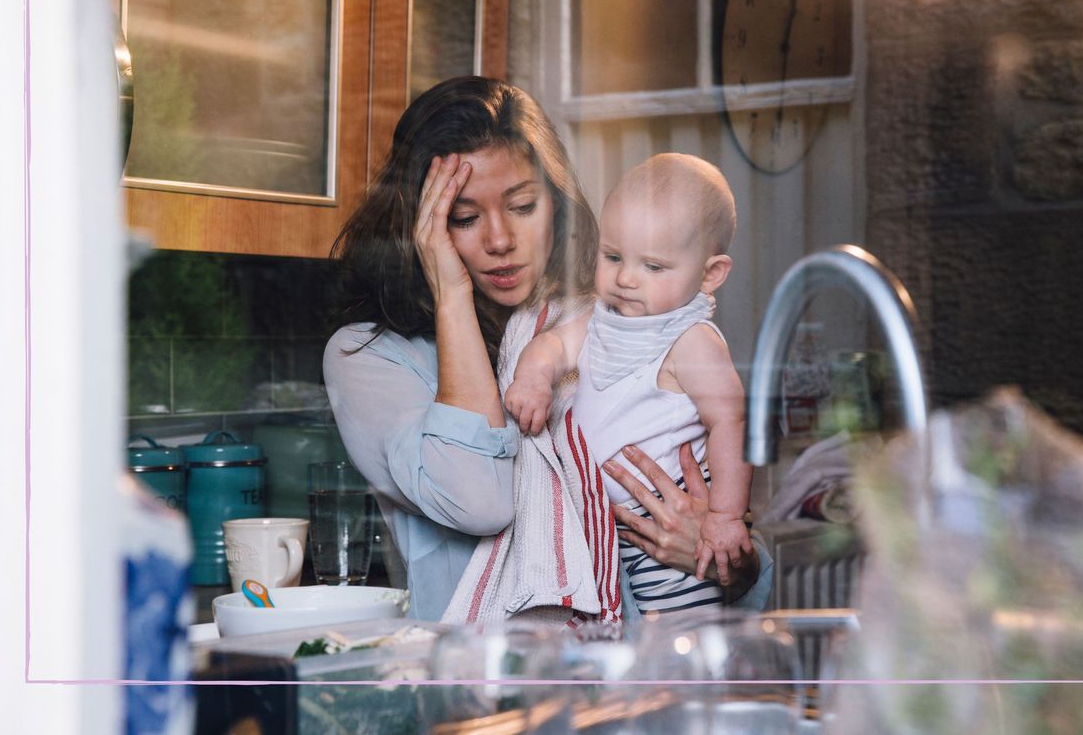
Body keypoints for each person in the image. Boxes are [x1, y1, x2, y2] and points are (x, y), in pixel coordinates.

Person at [323, 76, 769, 622]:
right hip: (483, 687)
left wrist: (723, 557)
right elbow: (479, 500)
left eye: (523, 206)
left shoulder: (612, 324)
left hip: (631, 671)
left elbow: (745, 568)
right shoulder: (370, 358)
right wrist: (452, 293)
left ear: (556, 206)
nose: (500, 240)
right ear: (420, 226)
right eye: (462, 218)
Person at [504, 153, 753, 614]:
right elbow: (555, 346)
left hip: (666, 521)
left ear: (710, 274)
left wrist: (724, 516)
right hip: (608, 528)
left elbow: (732, 423)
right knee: (627, 641)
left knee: (680, 640)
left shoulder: (690, 340)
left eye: (653, 267)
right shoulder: (604, 320)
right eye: (613, 256)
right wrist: (534, 377)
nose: (624, 279)